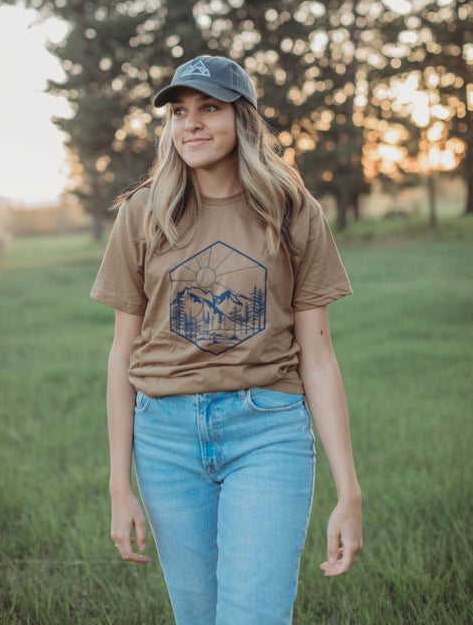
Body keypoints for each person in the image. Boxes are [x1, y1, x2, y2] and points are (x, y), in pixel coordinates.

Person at [91, 55, 363, 625]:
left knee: (254, 616)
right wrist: (120, 484)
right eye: (179, 112)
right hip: (164, 442)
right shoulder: (143, 213)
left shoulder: (291, 210)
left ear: (243, 118)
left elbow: (318, 356)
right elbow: (122, 354)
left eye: (209, 108)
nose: (190, 123)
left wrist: (349, 491)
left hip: (267, 430)